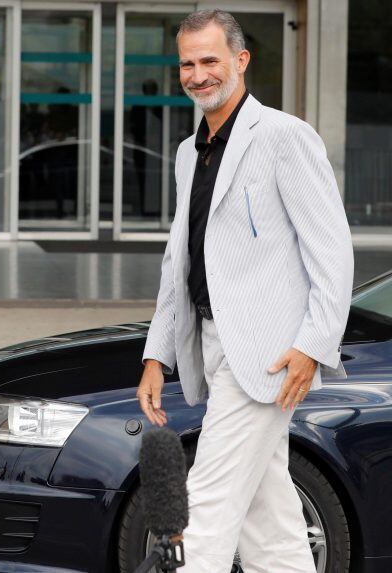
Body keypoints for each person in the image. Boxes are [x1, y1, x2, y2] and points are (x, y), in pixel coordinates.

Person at [137, 10, 353, 573]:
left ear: (240, 60)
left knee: (203, 509)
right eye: (187, 63)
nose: (198, 74)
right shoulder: (190, 153)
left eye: (209, 60)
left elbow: (331, 251)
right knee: (270, 524)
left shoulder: (285, 136)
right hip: (209, 342)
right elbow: (176, 263)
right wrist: (156, 354)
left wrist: (313, 345)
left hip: (266, 353)